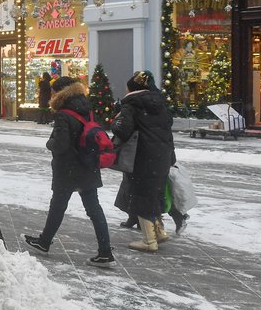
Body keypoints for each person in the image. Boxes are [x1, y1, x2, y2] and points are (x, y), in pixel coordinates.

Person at [23, 76, 114, 267]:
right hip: (88, 164)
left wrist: (50, 143)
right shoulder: (85, 108)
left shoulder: (64, 114)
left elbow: (61, 144)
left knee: (58, 206)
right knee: (94, 209)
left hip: (69, 168)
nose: (53, 95)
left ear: (61, 92)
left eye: (55, 91)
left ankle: (44, 242)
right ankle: (105, 251)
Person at [111, 70, 183, 252]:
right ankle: (159, 232)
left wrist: (115, 121)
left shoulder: (131, 105)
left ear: (133, 89)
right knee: (155, 194)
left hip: (142, 157)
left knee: (141, 196)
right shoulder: (160, 104)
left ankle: (149, 240)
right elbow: (168, 131)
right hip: (162, 155)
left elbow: (123, 131)